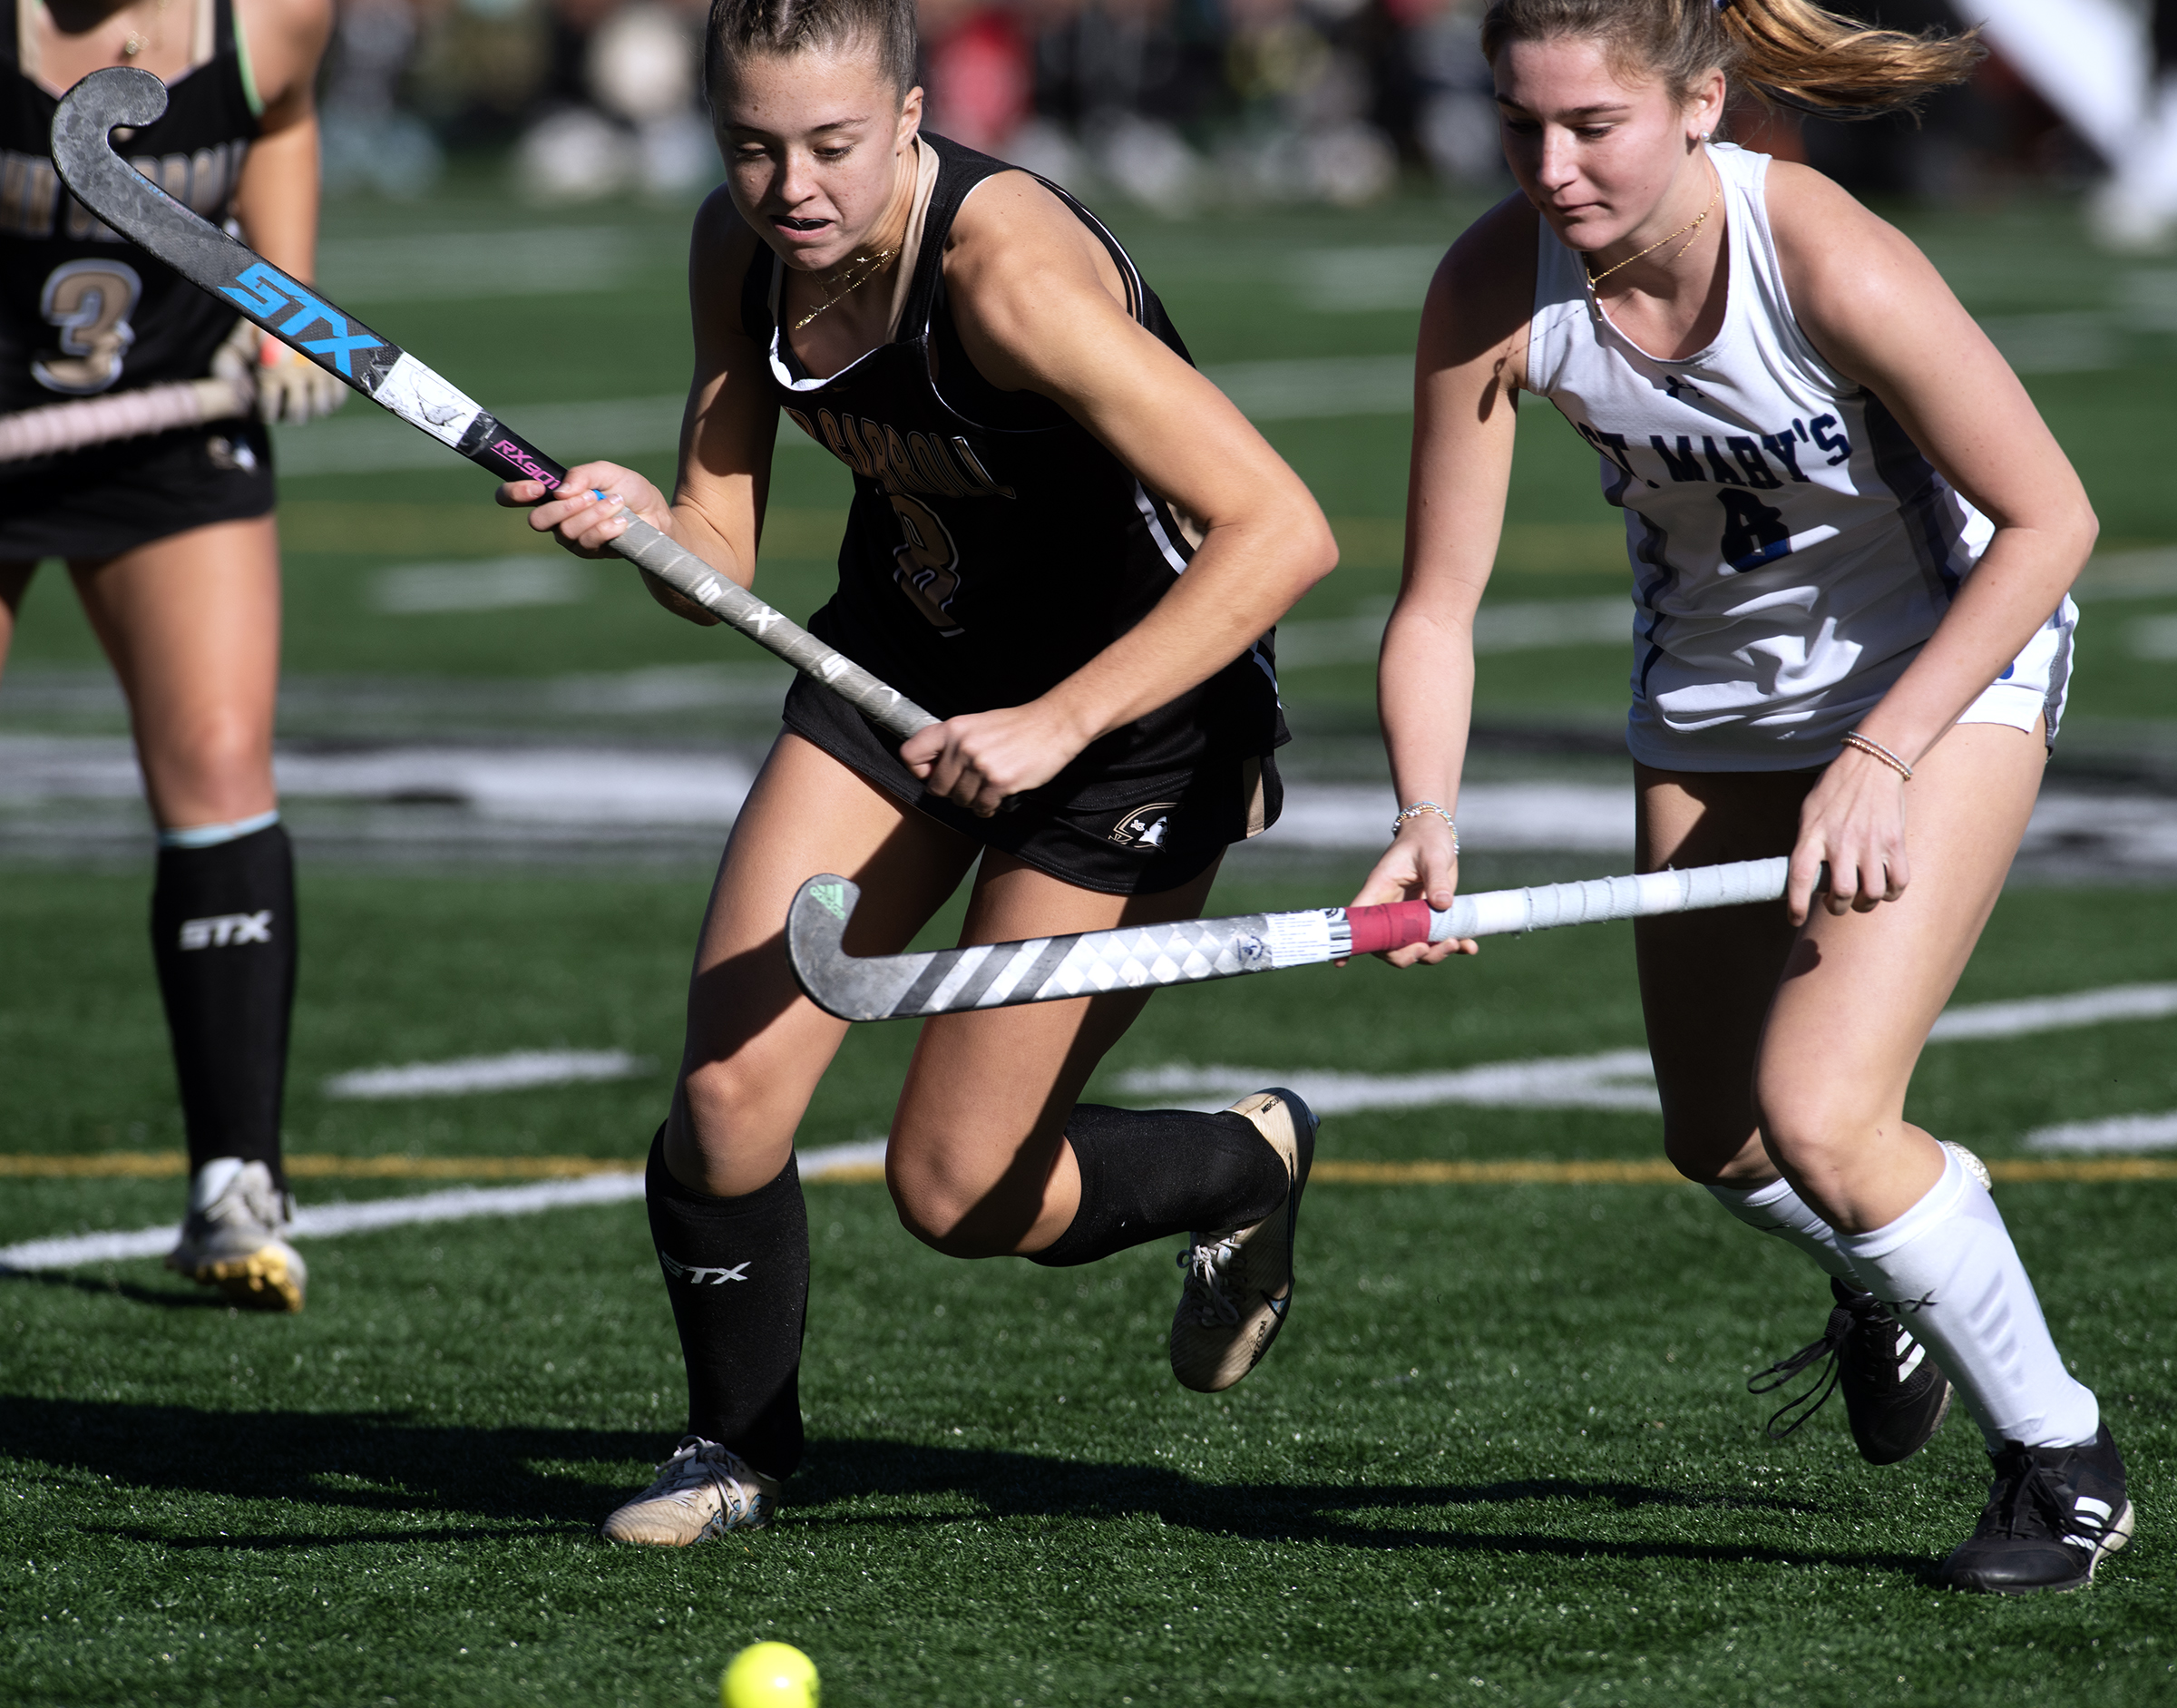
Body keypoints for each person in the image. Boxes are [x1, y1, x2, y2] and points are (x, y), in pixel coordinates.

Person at [503, 0, 1337, 1546]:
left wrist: (1063, 722)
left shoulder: (1007, 281)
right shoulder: (738, 249)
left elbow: (1284, 529)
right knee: (729, 1094)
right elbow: (719, 552)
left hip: (1140, 727)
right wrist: (636, 522)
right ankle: (733, 1451)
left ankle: (1242, 1167)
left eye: (831, 145)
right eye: (753, 147)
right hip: (899, 674)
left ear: (910, 116)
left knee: (958, 1191)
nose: (793, 187)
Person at [1358, 0, 2127, 1595]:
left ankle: (2066, 1464)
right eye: (1521, 127)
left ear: (1701, 103)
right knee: (1721, 1143)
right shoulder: (1495, 283)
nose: (1551, 169)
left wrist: (1884, 754)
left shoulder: (1823, 257)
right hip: (1711, 705)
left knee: (1827, 1114)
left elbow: (2052, 521)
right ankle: (1887, 1280)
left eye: (1593, 128)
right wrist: (1427, 812)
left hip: (1945, 673)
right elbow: (1439, 601)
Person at [1, 0, 340, 1309]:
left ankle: (235, 1181)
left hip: (170, 419)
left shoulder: (269, 19)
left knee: (215, 755)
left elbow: (282, 121)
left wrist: (282, 302)